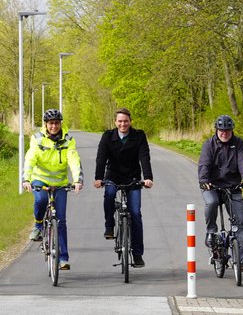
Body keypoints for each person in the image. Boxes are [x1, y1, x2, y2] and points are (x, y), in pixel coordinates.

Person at [22, 109, 84, 271]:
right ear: (46, 125)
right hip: (39, 179)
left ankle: (63, 258)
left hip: (60, 183)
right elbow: (30, 159)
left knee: (61, 220)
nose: (54, 126)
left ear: (61, 123)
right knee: (41, 200)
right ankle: (38, 225)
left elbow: (74, 160)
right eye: (51, 123)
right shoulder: (37, 139)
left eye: (57, 123)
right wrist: (26, 178)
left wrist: (77, 180)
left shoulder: (68, 140)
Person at [94, 108, 154, 268]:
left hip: (132, 177)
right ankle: (109, 226)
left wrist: (148, 177)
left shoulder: (139, 136)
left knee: (135, 213)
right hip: (113, 176)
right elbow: (101, 158)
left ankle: (137, 254)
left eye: (126, 121)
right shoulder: (107, 136)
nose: (123, 124)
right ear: (115, 122)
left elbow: (144, 157)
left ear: (130, 122)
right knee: (109, 194)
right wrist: (98, 178)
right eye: (120, 121)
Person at [198, 114, 243, 272]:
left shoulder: (238, 144)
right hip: (212, 185)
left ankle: (241, 259)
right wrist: (204, 180)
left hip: (233, 186)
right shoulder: (209, 145)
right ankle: (211, 232)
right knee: (212, 202)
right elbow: (204, 164)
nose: (224, 133)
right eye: (221, 130)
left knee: (240, 223)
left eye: (228, 130)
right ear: (216, 130)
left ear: (232, 130)